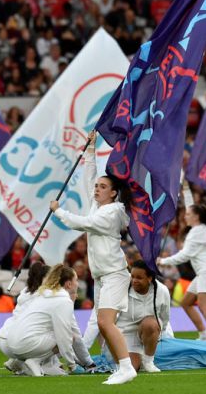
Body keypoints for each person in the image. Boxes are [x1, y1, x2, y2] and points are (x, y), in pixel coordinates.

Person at [50, 130, 137, 385]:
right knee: (102, 323)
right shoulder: (100, 204)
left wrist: (58, 212)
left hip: (115, 274)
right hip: (101, 275)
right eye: (97, 187)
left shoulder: (112, 212)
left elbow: (84, 223)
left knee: (104, 321)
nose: (96, 189)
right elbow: (89, 178)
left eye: (102, 187)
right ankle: (116, 364)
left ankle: (126, 367)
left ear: (113, 193)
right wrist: (90, 150)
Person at [157, 179, 206, 341]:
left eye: (188, 215)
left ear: (195, 217)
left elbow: (184, 255)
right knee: (186, 303)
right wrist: (186, 190)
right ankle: (203, 335)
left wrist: (162, 261)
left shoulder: (196, 232)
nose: (185, 216)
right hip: (204, 271)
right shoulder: (199, 228)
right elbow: (190, 206)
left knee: (203, 305)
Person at [0, 264, 95, 376]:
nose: (78, 284)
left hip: (9, 340)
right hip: (23, 343)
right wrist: (76, 364)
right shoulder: (61, 300)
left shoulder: (39, 294)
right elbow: (68, 336)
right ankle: (38, 362)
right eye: (76, 280)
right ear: (69, 284)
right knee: (67, 335)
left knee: (56, 334)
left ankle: (27, 362)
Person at [115, 260, 172, 373]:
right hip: (127, 334)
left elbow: (165, 316)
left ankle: (148, 361)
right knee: (131, 368)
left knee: (150, 323)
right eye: (132, 277)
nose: (134, 281)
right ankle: (140, 357)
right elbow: (112, 321)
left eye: (139, 278)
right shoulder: (121, 289)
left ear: (149, 278)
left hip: (150, 330)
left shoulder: (162, 290)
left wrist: (161, 334)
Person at [2, 262, 50, 375]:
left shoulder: (24, 291)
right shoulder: (44, 295)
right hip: (20, 339)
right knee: (58, 334)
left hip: (5, 337)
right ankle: (37, 362)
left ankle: (16, 361)